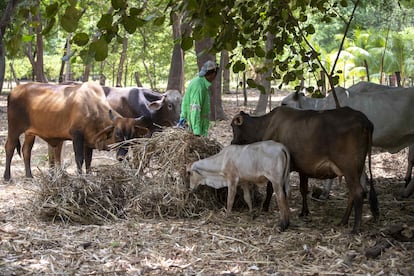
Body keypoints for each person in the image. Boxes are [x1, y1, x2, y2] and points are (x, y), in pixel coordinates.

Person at [178, 60, 219, 137]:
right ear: (213, 74)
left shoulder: (203, 84)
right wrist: (196, 132)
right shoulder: (199, 86)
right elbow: (195, 109)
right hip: (193, 127)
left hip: (200, 126)